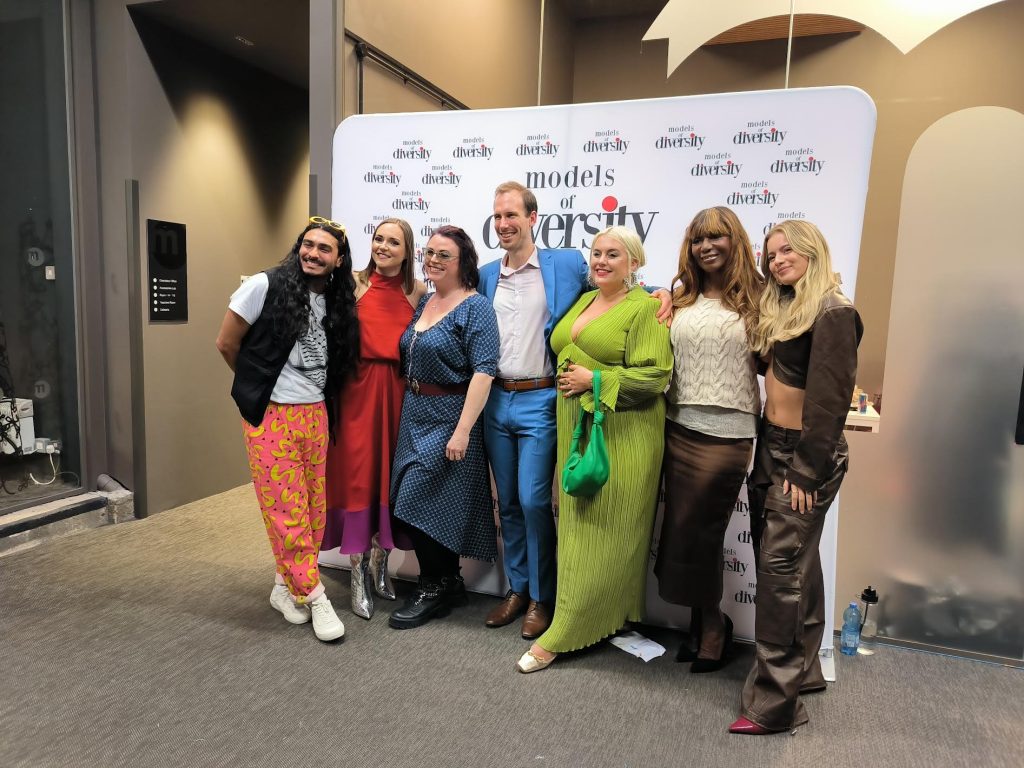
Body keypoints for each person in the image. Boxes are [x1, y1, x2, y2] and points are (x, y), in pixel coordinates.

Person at [480, 182, 672, 641]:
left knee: (533, 500)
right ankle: (519, 589)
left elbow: (619, 286)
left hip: (544, 399)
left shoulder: (565, 264)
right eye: (497, 217)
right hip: (495, 399)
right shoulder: (487, 274)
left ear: (533, 218)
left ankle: (545, 598)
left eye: (512, 215)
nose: (504, 224)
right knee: (507, 502)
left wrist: (662, 290)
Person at [515, 226, 672, 673]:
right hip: (579, 430)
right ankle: (610, 616)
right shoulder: (585, 299)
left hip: (625, 435)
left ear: (634, 264)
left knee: (613, 530)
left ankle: (564, 631)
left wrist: (594, 380)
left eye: (613, 254)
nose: (601, 260)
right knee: (581, 529)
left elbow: (656, 377)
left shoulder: (646, 310)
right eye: (597, 252)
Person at [729, 220, 862, 734]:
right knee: (793, 564)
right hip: (771, 445)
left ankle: (774, 704)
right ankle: (803, 669)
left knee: (780, 569)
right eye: (771, 252)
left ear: (813, 251)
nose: (778, 258)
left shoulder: (834, 312)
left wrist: (806, 472)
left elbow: (830, 403)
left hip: (806, 458)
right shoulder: (785, 306)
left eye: (789, 250)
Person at [215, 216, 360, 642]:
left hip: (314, 415)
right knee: (286, 512)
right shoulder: (264, 284)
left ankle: (284, 586)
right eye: (308, 244)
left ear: (338, 260)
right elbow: (226, 342)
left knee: (313, 512)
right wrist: (256, 385)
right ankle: (316, 597)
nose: (313, 253)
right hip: (272, 416)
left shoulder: (334, 299)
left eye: (324, 249)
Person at [655, 207, 764, 672]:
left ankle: (715, 625)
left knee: (703, 531)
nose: (707, 247)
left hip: (729, 434)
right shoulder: (680, 297)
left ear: (734, 241)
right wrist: (659, 293)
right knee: (680, 532)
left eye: (716, 237)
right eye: (699, 240)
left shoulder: (761, 298)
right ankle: (703, 621)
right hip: (677, 425)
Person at [388, 225, 500, 630]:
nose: (433, 259)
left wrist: (463, 430)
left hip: (451, 413)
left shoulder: (475, 307)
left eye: (443, 255)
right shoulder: (427, 300)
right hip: (415, 411)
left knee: (424, 499)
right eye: (430, 252)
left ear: (463, 262)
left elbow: (484, 371)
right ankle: (448, 581)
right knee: (411, 499)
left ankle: (431, 585)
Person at [322, 218, 427, 619]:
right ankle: (356, 575)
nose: (383, 246)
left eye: (393, 242)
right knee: (357, 478)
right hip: (355, 393)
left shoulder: (416, 291)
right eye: (379, 239)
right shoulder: (350, 281)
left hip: (399, 395)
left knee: (390, 478)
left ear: (407, 250)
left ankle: (380, 565)